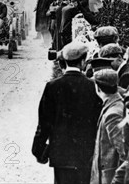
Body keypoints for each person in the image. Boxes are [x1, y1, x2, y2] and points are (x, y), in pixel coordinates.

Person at [32, 41, 102, 184]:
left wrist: (38, 149)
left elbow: (44, 122)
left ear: (64, 61)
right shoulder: (92, 86)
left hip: (61, 154)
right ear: (83, 61)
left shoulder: (52, 86)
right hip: (86, 154)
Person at [90, 69, 126, 184]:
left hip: (109, 177)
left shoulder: (113, 114)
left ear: (98, 88)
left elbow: (124, 151)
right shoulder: (115, 104)